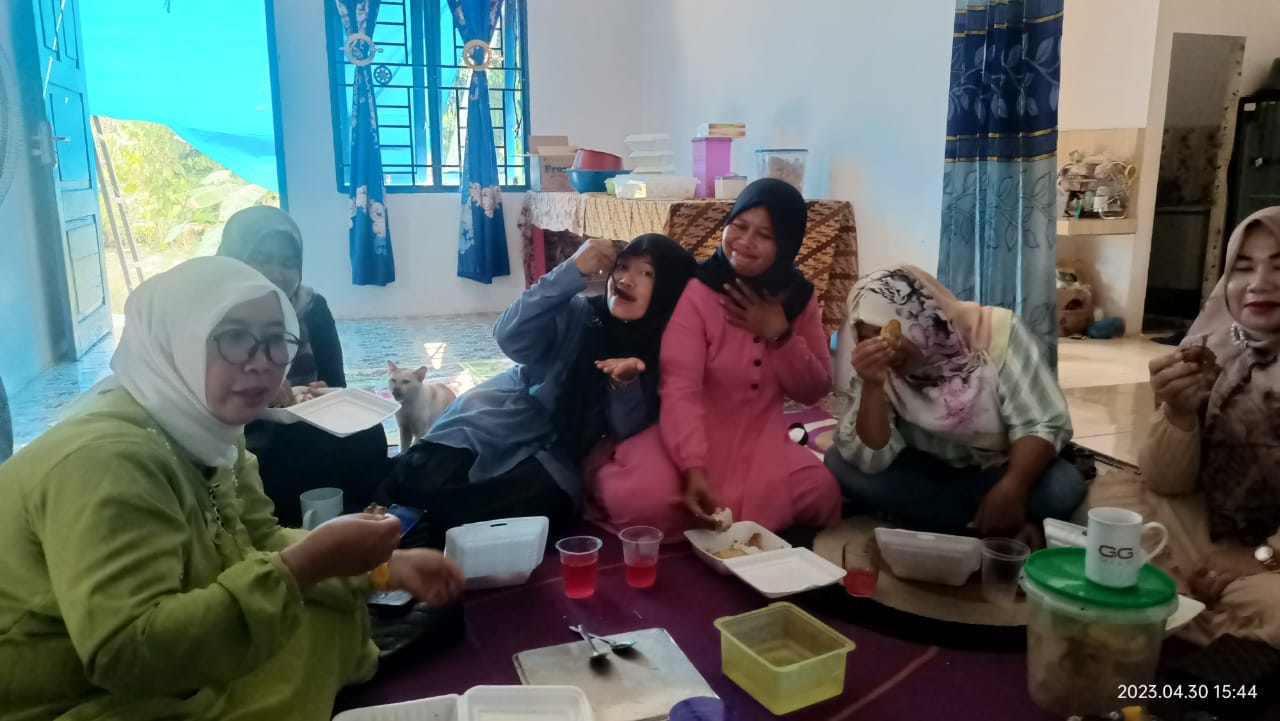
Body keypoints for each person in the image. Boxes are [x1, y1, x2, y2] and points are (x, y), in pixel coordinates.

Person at [0, 257, 463, 720]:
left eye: (276, 340)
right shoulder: (106, 461)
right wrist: (304, 567)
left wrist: (381, 568)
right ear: (175, 340)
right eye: (234, 337)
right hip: (70, 692)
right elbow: (124, 652)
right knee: (311, 622)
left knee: (326, 615)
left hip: (161, 654)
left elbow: (258, 539)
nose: (262, 363)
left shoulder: (210, 430)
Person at [377, 234, 698, 548]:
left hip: (555, 455)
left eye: (646, 274)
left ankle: (418, 532)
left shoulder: (660, 353)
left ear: (668, 289)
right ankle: (406, 528)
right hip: (498, 420)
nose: (626, 279)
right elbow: (508, 336)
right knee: (420, 478)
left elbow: (626, 431)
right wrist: (571, 270)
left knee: (547, 503)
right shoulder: (579, 314)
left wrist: (624, 383)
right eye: (623, 266)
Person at [588, 179, 841, 537]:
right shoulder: (700, 291)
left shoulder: (797, 298)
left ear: (787, 243)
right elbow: (680, 389)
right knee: (637, 500)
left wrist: (780, 334)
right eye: (739, 226)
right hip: (688, 434)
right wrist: (693, 467)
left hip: (762, 437)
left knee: (822, 492)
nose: (745, 242)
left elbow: (813, 390)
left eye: (765, 235)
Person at [1094, 207, 1280, 648]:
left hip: (1271, 556)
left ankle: (1173, 607)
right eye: (1243, 266)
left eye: (1279, 265)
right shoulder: (1210, 346)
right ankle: (1216, 620)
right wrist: (1177, 412)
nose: (1259, 283)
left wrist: (1262, 556)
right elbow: (1168, 485)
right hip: (1207, 526)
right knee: (1111, 499)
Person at [825, 265, 1085, 539]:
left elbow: (1041, 422)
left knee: (1062, 487)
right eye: (867, 337)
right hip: (922, 470)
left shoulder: (995, 334)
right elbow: (872, 456)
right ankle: (983, 521)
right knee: (838, 463)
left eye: (890, 331)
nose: (884, 347)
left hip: (997, 467)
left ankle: (943, 518)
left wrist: (1012, 488)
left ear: (923, 318)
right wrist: (873, 386)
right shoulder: (874, 363)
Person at [216, 205, 390, 527]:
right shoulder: (211, 313)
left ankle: (361, 526)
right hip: (237, 428)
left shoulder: (312, 308)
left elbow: (335, 381)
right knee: (280, 456)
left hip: (305, 418)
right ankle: (290, 533)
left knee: (366, 434)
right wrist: (260, 389)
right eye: (261, 258)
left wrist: (320, 392)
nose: (276, 272)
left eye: (287, 262)